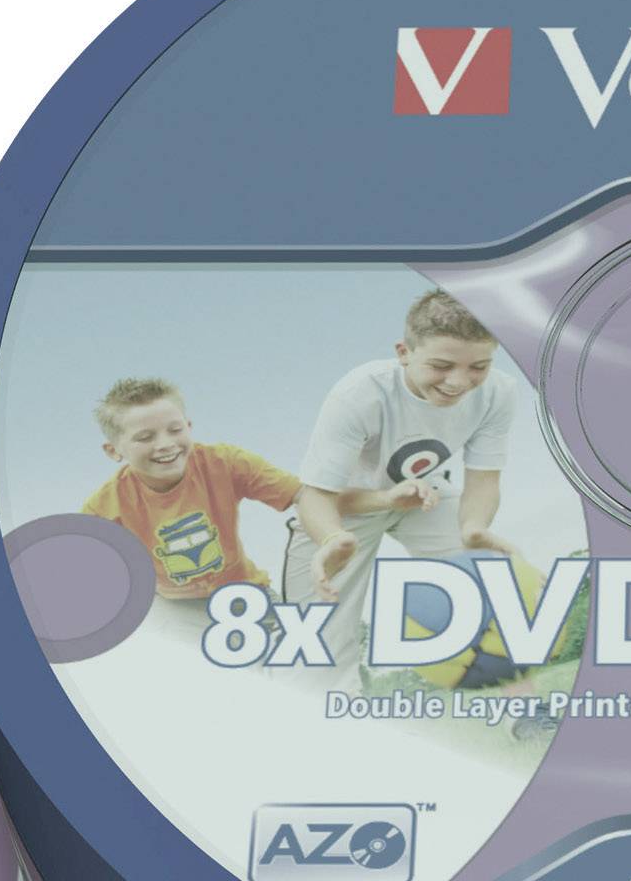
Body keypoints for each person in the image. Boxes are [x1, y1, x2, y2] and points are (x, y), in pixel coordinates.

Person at [283, 289, 520, 680]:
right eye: (442, 365)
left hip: (424, 496)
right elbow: (315, 496)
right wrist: (331, 538)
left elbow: (484, 479)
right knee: (318, 640)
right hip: (342, 510)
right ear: (404, 352)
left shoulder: (498, 392)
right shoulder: (360, 394)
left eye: (478, 366)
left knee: (488, 587)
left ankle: (521, 707)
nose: (459, 382)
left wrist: (473, 527)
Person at [83, 379, 300, 629]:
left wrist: (331, 536)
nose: (165, 444)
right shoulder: (103, 509)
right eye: (145, 437)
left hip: (244, 594)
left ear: (188, 427)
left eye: (175, 430)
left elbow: (303, 494)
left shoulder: (224, 463)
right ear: (113, 450)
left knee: (296, 644)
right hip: (172, 609)